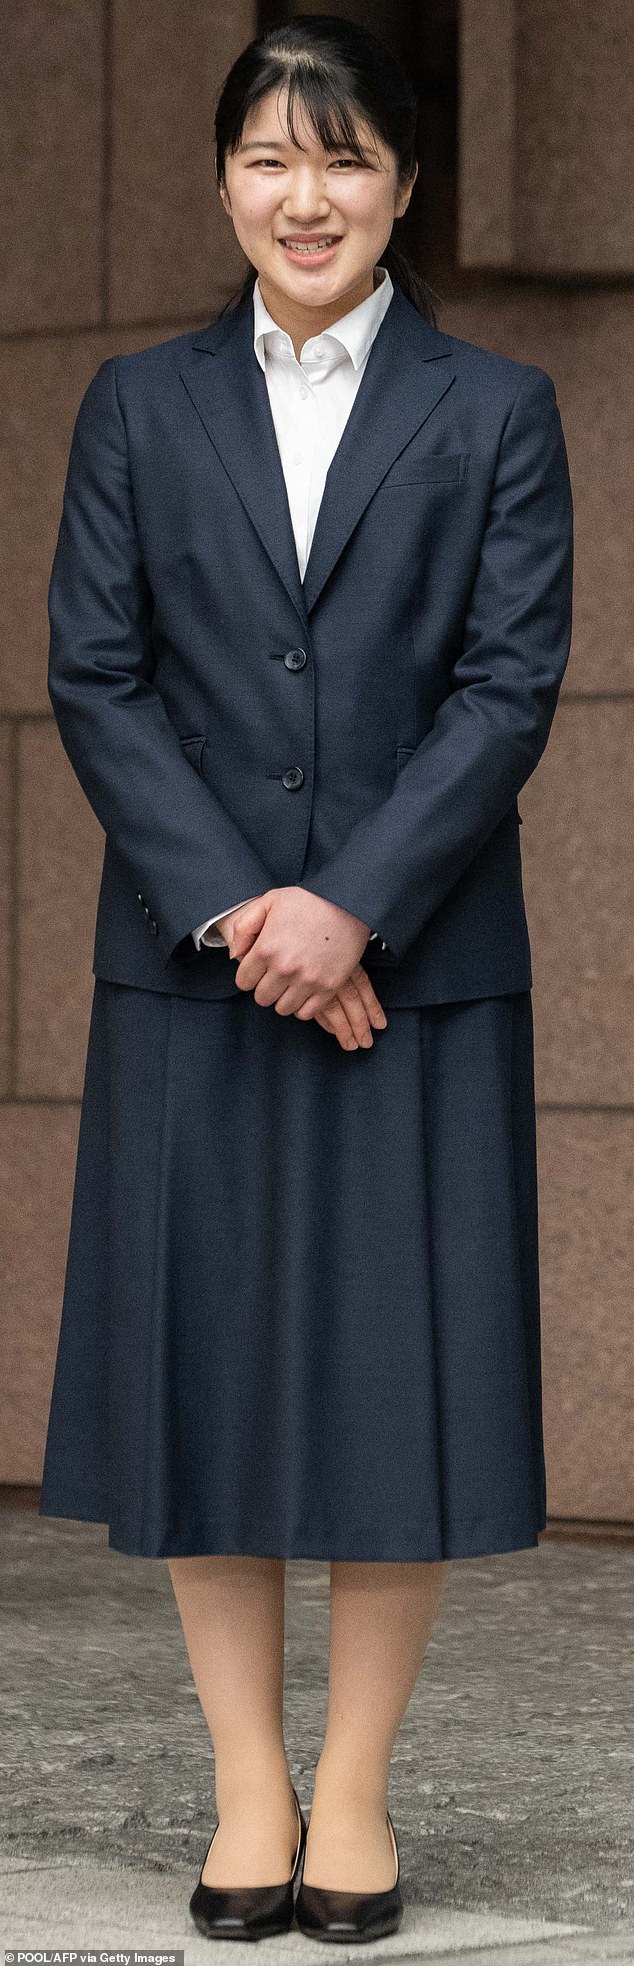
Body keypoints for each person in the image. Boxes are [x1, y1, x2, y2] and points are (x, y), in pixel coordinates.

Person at [38, 12, 574, 1945]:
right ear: (222, 183)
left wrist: (346, 908)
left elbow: (508, 689)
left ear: (403, 185)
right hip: (192, 973)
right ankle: (243, 1797)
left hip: (414, 976)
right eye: (268, 156)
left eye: (342, 158)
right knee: (206, 1387)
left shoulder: (496, 406)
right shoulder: (136, 404)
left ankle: (352, 1802)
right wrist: (249, 912)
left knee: (389, 1392)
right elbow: (97, 676)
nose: (305, 194)